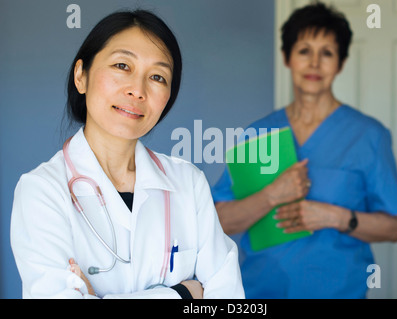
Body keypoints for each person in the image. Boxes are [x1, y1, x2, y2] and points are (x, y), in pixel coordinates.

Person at [10, 9, 244, 299]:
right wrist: (183, 294)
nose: (137, 90)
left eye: (157, 77)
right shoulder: (42, 190)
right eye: (122, 66)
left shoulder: (189, 183)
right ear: (81, 76)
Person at [212, 1, 397, 299]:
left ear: (340, 63)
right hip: (260, 292)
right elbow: (220, 220)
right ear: (287, 58)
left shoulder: (369, 135)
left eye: (327, 53)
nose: (314, 63)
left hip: (341, 291)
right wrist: (272, 195)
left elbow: (394, 228)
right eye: (304, 51)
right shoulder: (259, 133)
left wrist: (335, 217)